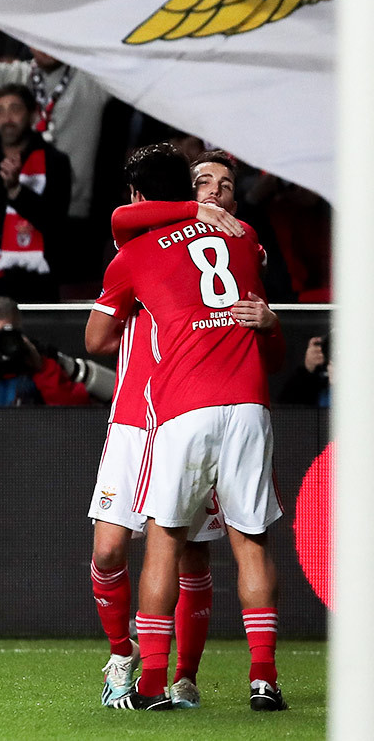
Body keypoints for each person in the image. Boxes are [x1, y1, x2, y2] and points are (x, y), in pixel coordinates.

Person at [86, 143, 288, 712]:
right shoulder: (228, 239)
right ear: (185, 192)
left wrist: (269, 322)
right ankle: (126, 657)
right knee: (113, 549)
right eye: (204, 184)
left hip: (181, 408)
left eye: (226, 186)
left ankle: (176, 678)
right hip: (144, 414)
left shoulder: (157, 249)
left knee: (179, 547)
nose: (215, 193)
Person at [0, 4, 113, 278]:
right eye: (37, 36)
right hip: (13, 214)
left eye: (52, 37)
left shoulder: (92, 80)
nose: (44, 45)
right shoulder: (16, 76)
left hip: (72, 219)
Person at [0, 84, 72, 302]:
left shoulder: (55, 161)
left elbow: (55, 224)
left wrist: (16, 191)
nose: (7, 118)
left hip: (34, 288)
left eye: (15, 109)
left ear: (32, 115)